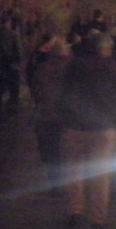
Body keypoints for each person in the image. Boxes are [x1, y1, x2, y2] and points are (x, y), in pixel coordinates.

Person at [59, 33, 116, 229]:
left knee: (73, 171)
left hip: (75, 125)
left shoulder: (75, 65)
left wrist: (65, 117)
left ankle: (74, 211)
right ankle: (98, 220)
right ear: (105, 49)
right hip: (103, 127)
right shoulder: (114, 68)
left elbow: (65, 93)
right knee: (100, 174)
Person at [30, 36, 70, 194]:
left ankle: (54, 183)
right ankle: (65, 183)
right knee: (64, 150)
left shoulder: (42, 69)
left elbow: (36, 91)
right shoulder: (70, 68)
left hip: (46, 114)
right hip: (66, 115)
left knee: (51, 150)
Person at [0, 12, 21, 110]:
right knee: (13, 87)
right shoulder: (13, 34)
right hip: (10, 63)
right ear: (8, 22)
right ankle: (12, 106)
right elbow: (18, 51)